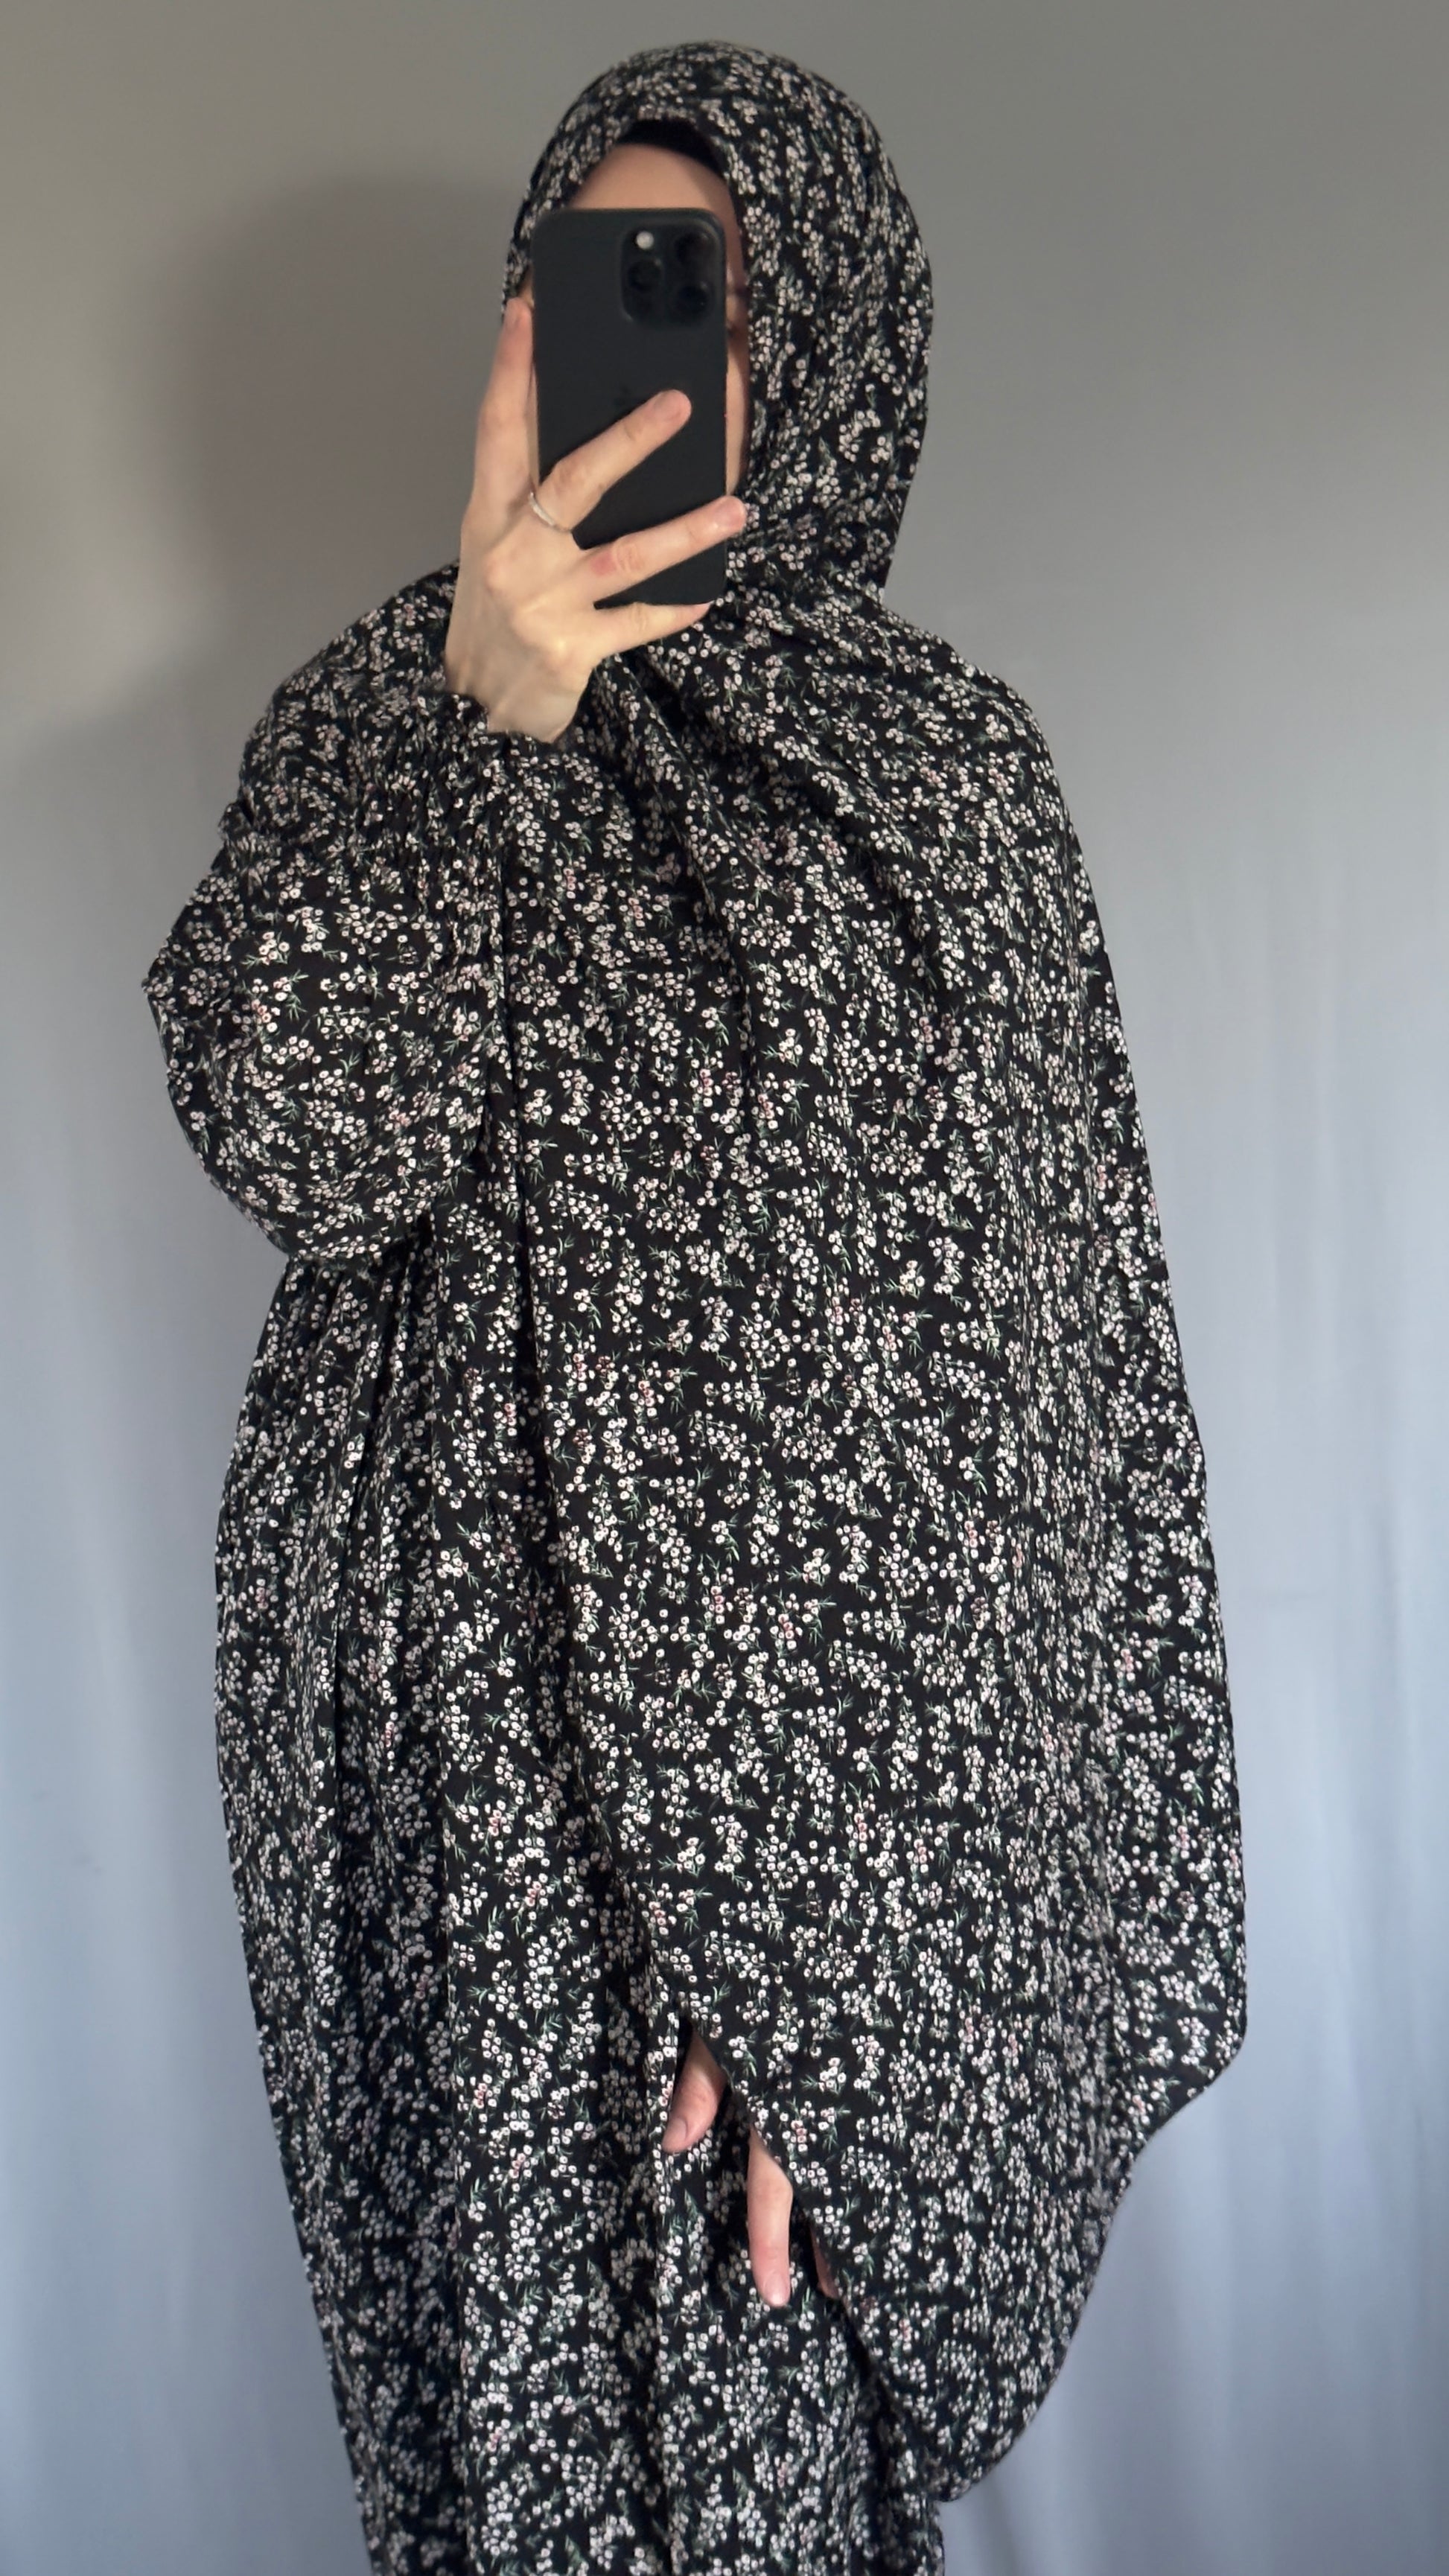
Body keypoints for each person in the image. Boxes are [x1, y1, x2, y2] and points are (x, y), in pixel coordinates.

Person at [144, 39, 1247, 2576]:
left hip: (817, 1861)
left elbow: (1020, 1441)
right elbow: (304, 1141)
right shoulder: (386, 714)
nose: (627, 348)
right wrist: (486, 719)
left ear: (830, 350)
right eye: (578, 284)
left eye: (705, 297)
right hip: (471, 1835)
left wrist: (851, 1969)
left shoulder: (940, 787)